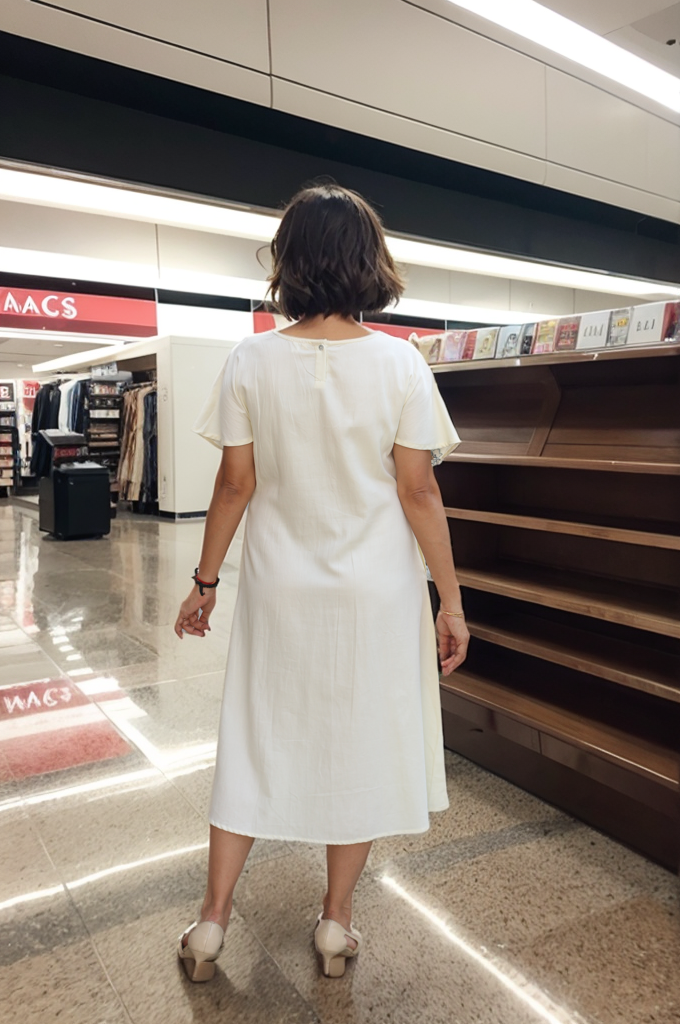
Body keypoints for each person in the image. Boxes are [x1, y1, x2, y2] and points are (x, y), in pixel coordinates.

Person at [173, 183, 469, 981]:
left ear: (289, 263)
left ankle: (210, 922)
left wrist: (205, 582)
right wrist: (451, 601)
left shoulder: (249, 360)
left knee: (252, 736)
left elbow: (235, 485)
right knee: (360, 744)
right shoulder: (401, 362)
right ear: (372, 263)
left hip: (280, 590)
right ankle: (336, 922)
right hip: (376, 592)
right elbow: (418, 492)